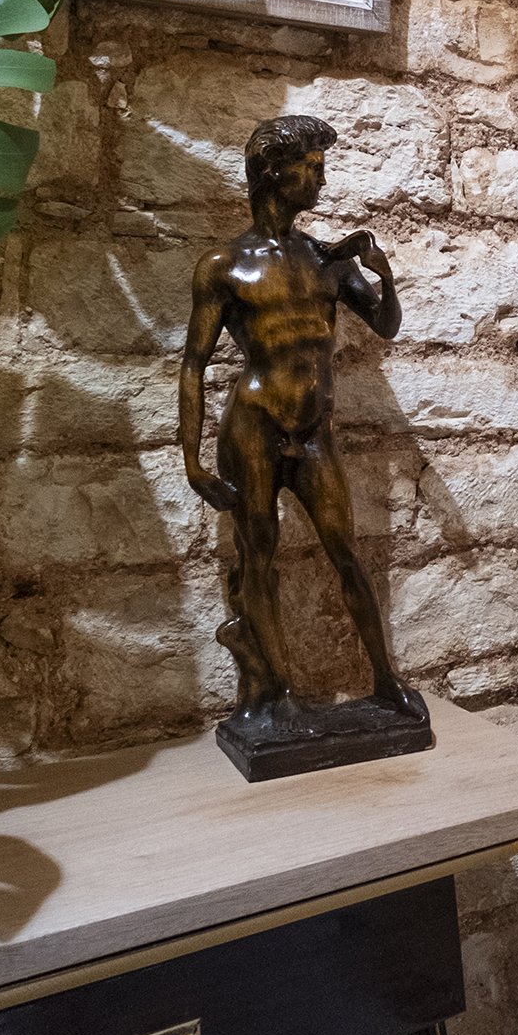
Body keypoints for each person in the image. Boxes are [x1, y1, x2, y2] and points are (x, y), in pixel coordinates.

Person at [179, 113, 423, 727]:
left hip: (314, 431)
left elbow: (386, 326)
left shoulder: (328, 260)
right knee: (258, 554)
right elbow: (193, 364)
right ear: (271, 173)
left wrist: (384, 276)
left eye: (321, 166)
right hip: (253, 426)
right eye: (310, 167)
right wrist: (191, 461)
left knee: (346, 551)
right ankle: (276, 691)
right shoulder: (224, 265)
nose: (321, 179)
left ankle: (386, 680)